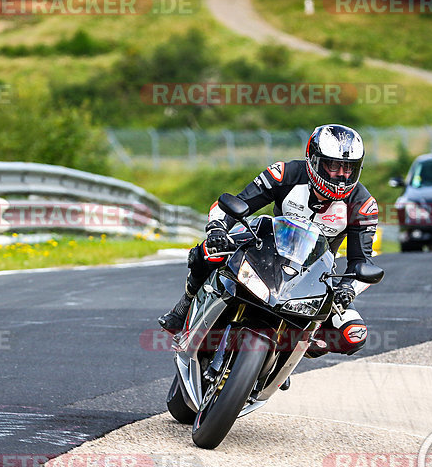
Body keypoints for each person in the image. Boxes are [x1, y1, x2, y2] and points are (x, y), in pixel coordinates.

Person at [158, 124, 380, 358]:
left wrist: (347, 289)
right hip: (266, 246)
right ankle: (184, 307)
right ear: (314, 160)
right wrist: (217, 228)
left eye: (349, 168)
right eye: (334, 166)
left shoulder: (363, 205)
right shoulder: (284, 173)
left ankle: (285, 353)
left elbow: (363, 262)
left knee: (354, 334)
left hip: (315, 271)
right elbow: (237, 203)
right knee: (209, 250)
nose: (341, 176)